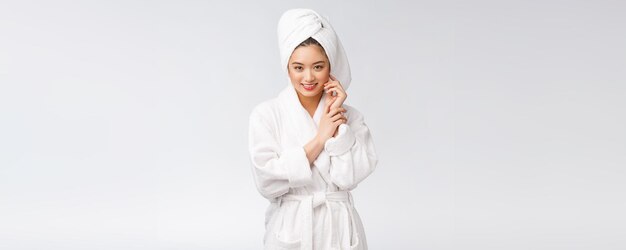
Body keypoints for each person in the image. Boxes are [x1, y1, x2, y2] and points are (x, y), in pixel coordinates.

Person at [248, 8, 378, 250]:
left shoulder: (351, 118)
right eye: (298, 67)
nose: (308, 77)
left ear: (331, 67)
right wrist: (320, 138)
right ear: (287, 67)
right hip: (292, 229)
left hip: (340, 231)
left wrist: (339, 132)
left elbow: (347, 178)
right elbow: (266, 181)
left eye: (318, 67)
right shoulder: (266, 115)